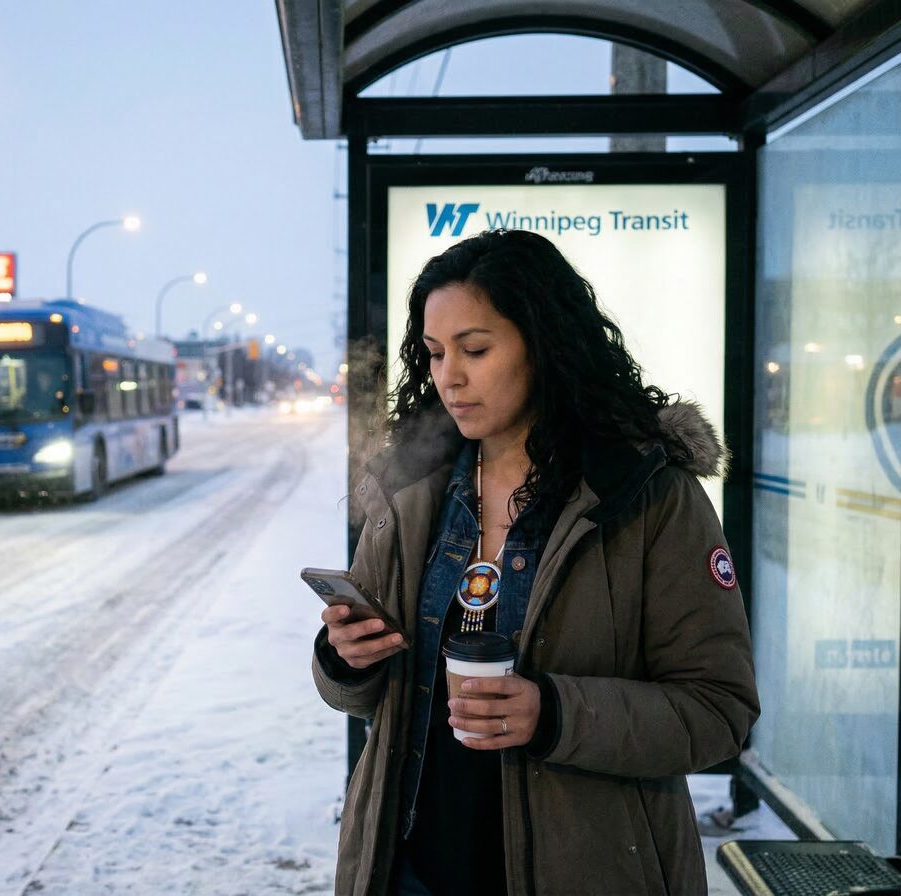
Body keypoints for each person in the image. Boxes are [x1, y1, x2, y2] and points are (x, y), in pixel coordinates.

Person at [312, 229, 759, 896]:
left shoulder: (643, 494)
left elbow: (718, 709)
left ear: (544, 345)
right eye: (434, 354)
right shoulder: (413, 489)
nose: (449, 377)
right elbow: (362, 694)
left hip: (589, 869)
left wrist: (553, 713)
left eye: (476, 349)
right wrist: (345, 655)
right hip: (409, 869)